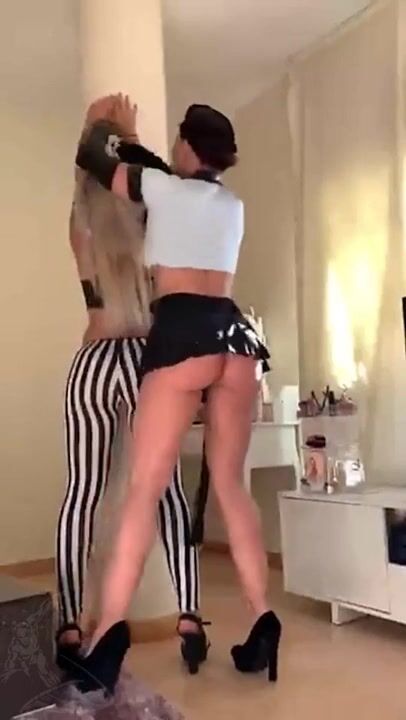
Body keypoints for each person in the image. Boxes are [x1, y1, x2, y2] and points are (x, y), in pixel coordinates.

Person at [73, 94, 281, 695]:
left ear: (187, 145)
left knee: (143, 491)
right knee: (232, 486)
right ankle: (263, 621)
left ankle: (105, 639)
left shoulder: (162, 189)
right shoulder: (232, 205)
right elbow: (167, 178)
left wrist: (112, 127)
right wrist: (140, 147)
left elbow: (96, 159)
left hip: (183, 333)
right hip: (237, 340)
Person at [55, 105, 209, 680]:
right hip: (146, 360)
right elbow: (159, 184)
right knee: (168, 493)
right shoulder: (153, 221)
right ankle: (189, 616)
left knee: (82, 494)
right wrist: (132, 136)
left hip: (94, 359)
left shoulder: (81, 228)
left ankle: (71, 622)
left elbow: (84, 182)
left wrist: (91, 133)